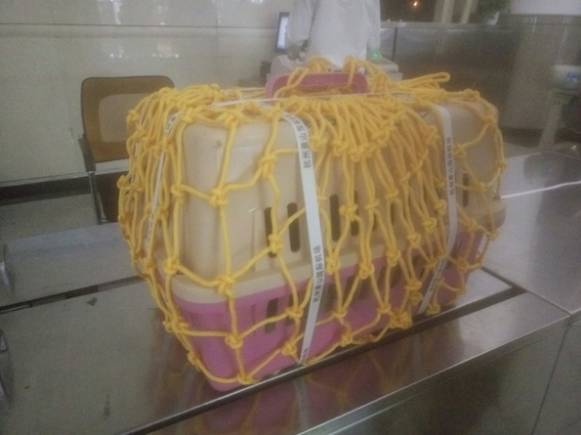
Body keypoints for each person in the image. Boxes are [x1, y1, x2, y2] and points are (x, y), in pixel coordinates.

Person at [286, 0, 382, 68]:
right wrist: (374, 58)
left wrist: (293, 54)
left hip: (319, 70)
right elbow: (374, 43)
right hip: (355, 72)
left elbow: (295, 37)